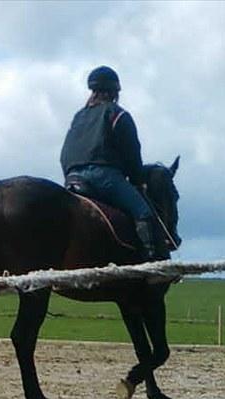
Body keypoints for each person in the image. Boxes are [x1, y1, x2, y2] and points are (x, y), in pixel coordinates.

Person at [60, 65, 158, 260]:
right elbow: (132, 152)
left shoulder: (79, 117)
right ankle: (152, 262)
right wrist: (138, 181)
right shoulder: (117, 114)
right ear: (114, 91)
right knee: (144, 212)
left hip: (73, 177)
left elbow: (64, 154)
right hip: (104, 176)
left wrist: (70, 175)